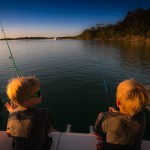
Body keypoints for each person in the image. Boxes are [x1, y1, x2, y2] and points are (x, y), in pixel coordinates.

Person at [94, 79, 149, 150]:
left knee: (101, 115)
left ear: (118, 102)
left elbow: (100, 135)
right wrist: (116, 112)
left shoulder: (107, 118)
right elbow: (128, 115)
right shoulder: (142, 116)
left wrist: (108, 115)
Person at [5, 76, 55, 150]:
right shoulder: (44, 113)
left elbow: (9, 134)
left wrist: (12, 111)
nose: (41, 94)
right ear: (27, 101)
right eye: (38, 93)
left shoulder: (12, 114)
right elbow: (49, 130)